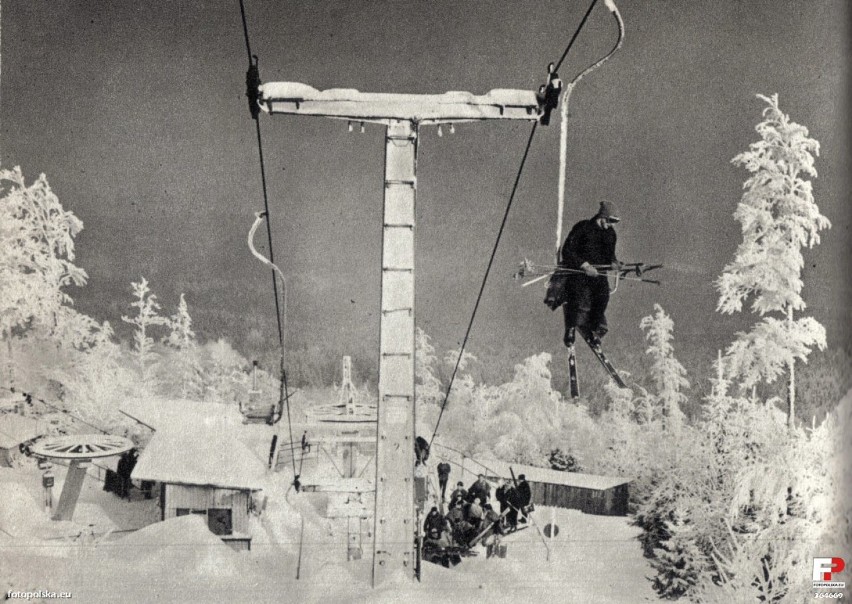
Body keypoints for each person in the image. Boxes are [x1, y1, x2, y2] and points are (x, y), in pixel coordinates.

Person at [545, 201, 622, 347]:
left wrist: (613, 262)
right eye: (610, 221)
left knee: (603, 295)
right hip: (579, 270)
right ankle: (571, 328)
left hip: (598, 273)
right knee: (575, 292)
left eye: (614, 222)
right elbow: (567, 250)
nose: (612, 225)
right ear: (602, 216)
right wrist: (584, 265)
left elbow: (609, 255)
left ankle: (593, 328)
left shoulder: (610, 234)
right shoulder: (583, 227)